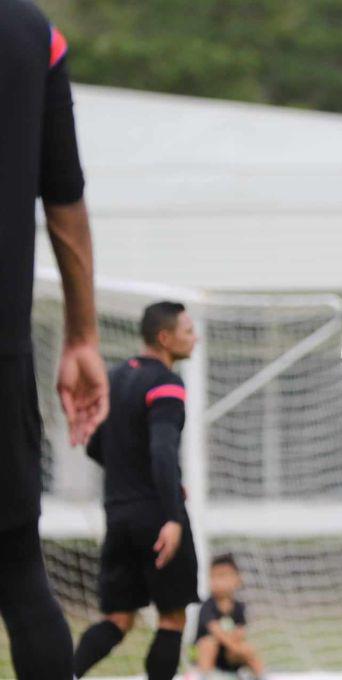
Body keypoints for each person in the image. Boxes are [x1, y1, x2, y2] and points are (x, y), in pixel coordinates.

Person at [1, 1, 109, 677]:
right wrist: (82, 337)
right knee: (17, 566)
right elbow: (64, 202)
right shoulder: (32, 33)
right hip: (3, 355)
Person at [73, 302, 199, 680]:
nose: (196, 338)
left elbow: (95, 445)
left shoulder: (113, 378)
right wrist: (173, 515)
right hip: (157, 515)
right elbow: (162, 450)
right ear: (165, 338)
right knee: (172, 618)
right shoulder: (166, 382)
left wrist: (130, 476)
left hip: (118, 514)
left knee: (117, 619)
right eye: (189, 330)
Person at [193, 554, 265, 679]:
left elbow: (240, 632)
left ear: (237, 579)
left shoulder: (239, 607)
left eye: (222, 576)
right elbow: (217, 632)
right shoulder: (207, 606)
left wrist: (240, 650)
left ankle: (262, 676)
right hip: (206, 654)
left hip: (229, 654)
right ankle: (202, 676)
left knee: (248, 648)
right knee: (208, 644)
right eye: (213, 577)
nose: (217, 581)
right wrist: (235, 647)